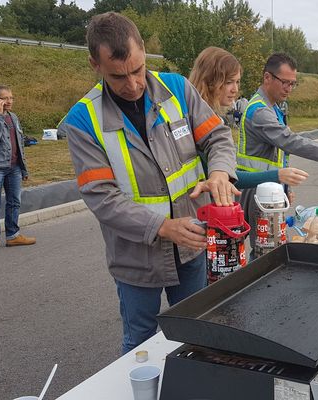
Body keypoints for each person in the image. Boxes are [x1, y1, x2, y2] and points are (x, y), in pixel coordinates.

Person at [58, 12, 239, 354]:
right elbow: (102, 198)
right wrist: (161, 226)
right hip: (135, 260)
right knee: (140, 345)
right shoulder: (83, 121)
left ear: (143, 51)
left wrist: (219, 172)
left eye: (138, 70)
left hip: (191, 246)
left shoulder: (177, 89)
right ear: (94, 64)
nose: (132, 85)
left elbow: (217, 137)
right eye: (118, 76)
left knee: (196, 332)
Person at [237, 53, 318, 255]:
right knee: (266, 250)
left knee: (269, 246)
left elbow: (279, 155)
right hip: (257, 189)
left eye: (293, 84)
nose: (289, 89)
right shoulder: (260, 112)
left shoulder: (271, 108)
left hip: (269, 187)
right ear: (267, 78)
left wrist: (285, 187)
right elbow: (290, 142)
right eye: (285, 82)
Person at [189, 47, 308, 191]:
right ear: (209, 81)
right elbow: (224, 176)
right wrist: (277, 176)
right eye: (228, 82)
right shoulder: (199, 122)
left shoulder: (212, 119)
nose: (235, 89)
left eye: (237, 82)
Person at [0, 85, 36, 252]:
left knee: (14, 202)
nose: (9, 101)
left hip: (14, 167)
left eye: (11, 98)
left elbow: (19, 144)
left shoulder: (13, 117)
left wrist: (23, 169)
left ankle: (13, 235)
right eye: (5, 98)